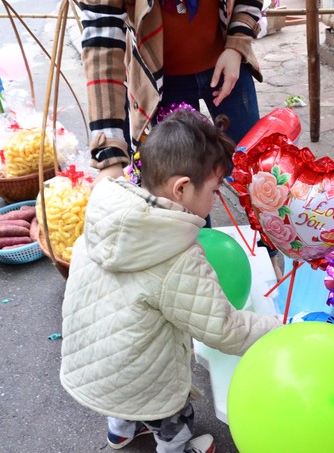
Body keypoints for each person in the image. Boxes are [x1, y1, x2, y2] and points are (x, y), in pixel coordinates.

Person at [60, 110, 280, 452]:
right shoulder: (177, 256)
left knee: (125, 382)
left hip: (94, 367)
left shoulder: (106, 214)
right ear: (181, 188)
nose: (215, 202)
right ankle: (175, 446)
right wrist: (279, 326)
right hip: (144, 381)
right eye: (214, 190)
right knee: (174, 419)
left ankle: (120, 431)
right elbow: (223, 328)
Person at [77, 0, 266, 175]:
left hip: (228, 68)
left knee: (255, 169)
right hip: (163, 85)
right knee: (184, 184)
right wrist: (109, 154)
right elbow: (102, 48)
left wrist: (236, 47)